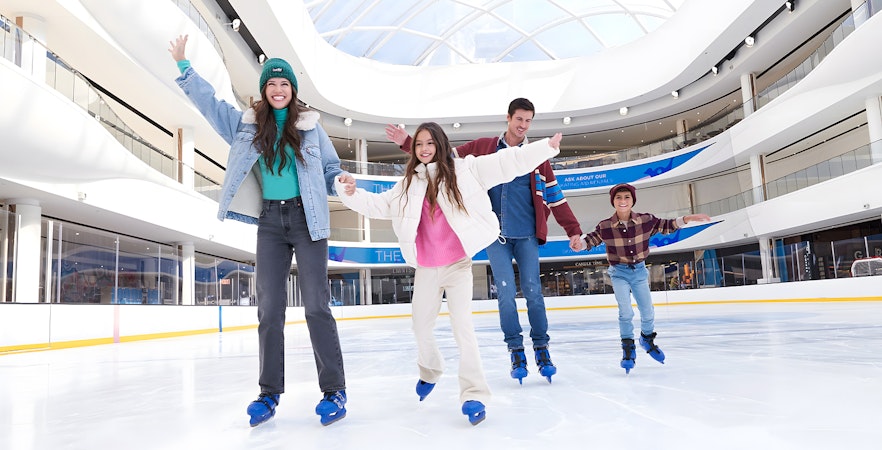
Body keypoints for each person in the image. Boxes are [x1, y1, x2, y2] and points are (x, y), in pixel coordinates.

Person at [168, 35, 350, 427]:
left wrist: (341, 183)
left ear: (293, 91)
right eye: (272, 83)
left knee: (317, 305)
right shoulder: (247, 126)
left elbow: (331, 169)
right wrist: (185, 67)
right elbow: (212, 106)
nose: (279, 89)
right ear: (264, 90)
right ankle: (269, 394)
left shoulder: (311, 128)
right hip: (270, 222)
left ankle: (334, 390)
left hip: (309, 220)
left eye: (284, 84)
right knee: (269, 309)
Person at [338, 122, 563, 425]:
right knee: (420, 329)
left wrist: (545, 148)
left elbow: (507, 163)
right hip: (427, 270)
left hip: (458, 265)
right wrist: (349, 193)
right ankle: (430, 370)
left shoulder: (465, 171)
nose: (424, 149)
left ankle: (474, 395)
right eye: (419, 145)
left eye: (430, 143)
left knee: (463, 330)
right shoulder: (408, 185)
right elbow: (378, 205)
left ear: (441, 145)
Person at [385, 98, 583, 384]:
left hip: (527, 234)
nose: (523, 125)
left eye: (528, 121)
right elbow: (442, 158)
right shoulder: (482, 148)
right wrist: (408, 143)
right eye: (519, 119)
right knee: (505, 294)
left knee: (533, 292)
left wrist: (572, 229)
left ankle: (542, 348)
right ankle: (516, 351)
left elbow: (554, 196)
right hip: (496, 236)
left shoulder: (534, 156)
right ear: (508, 118)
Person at [576, 183, 711, 374]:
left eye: (627, 198)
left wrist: (688, 218)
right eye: (618, 198)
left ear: (632, 201)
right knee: (625, 312)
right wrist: (578, 244)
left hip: (639, 272)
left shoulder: (645, 220)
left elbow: (667, 225)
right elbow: (591, 240)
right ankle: (628, 349)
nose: (623, 201)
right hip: (618, 272)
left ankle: (646, 339)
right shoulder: (605, 226)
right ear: (613, 202)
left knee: (647, 311)